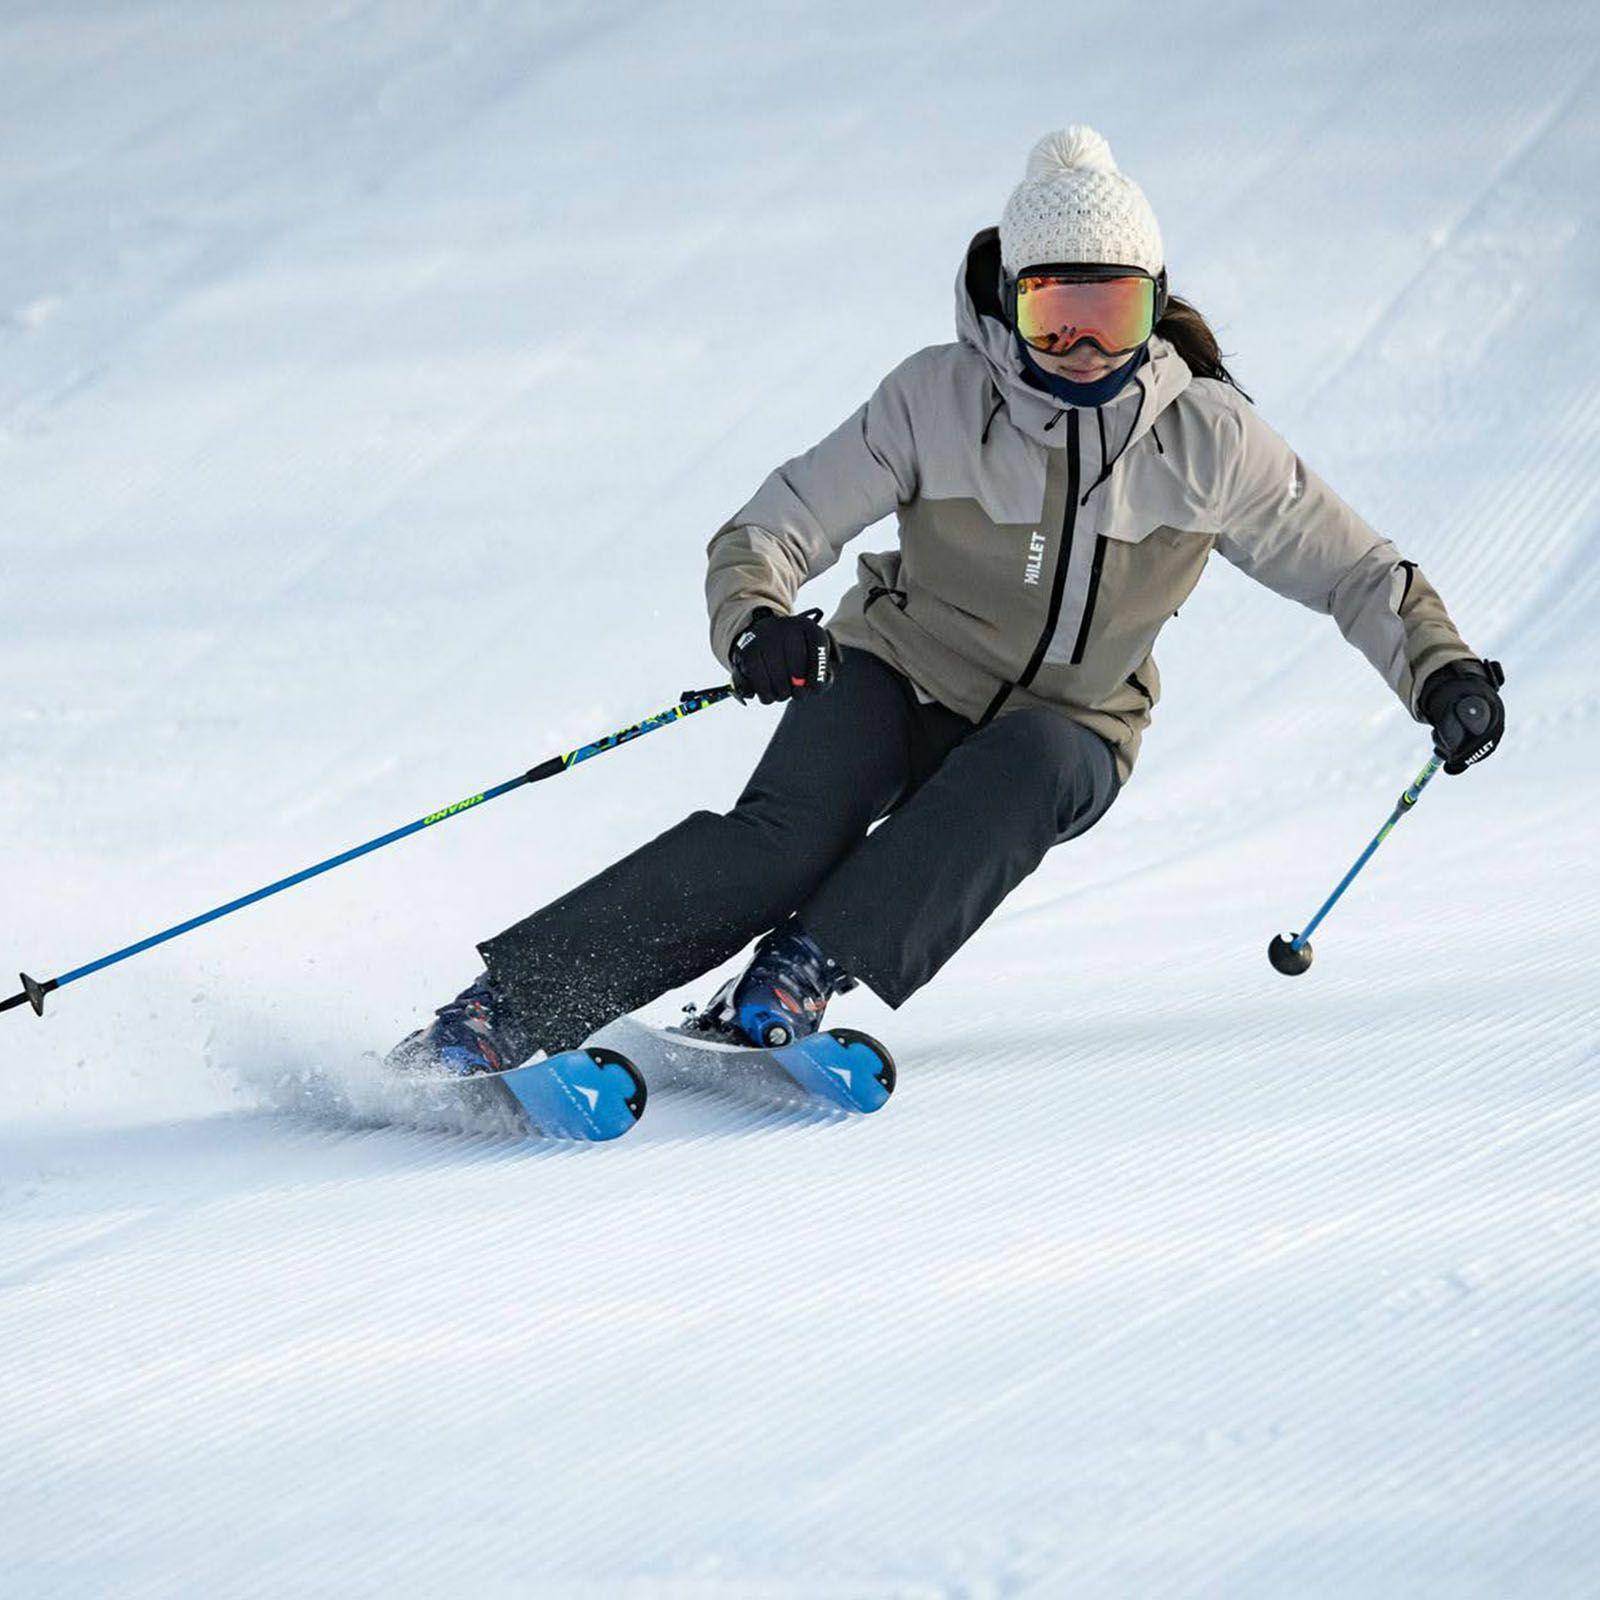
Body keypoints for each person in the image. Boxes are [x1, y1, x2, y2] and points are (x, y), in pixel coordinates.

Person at [389, 125, 1505, 1075]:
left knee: (1032, 768)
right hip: (895, 668)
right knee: (781, 840)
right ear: (1009, 302)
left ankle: (800, 970)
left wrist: (1438, 666)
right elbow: (769, 526)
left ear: (1155, 307)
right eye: (1051, 312)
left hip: (1070, 721)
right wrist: (758, 620)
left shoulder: (1208, 440)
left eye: (1108, 315)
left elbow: (1358, 569)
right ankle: (501, 1012)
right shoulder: (936, 397)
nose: (1077, 346)